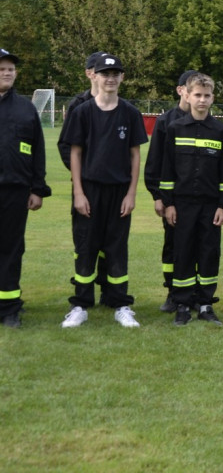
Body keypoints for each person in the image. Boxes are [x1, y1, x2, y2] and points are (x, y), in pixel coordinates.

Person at [60, 54, 147, 329]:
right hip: (89, 190)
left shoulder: (131, 113)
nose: (110, 78)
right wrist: (78, 192)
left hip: (119, 191)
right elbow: (74, 153)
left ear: (122, 77)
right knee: (85, 248)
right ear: (94, 75)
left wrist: (131, 193)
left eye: (115, 73)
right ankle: (80, 305)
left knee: (117, 249)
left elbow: (135, 155)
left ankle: (121, 304)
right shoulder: (82, 112)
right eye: (105, 73)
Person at [160, 73, 223, 326]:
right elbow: (167, 170)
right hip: (181, 206)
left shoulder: (221, 131)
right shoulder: (175, 128)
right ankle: (181, 304)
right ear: (187, 95)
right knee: (183, 252)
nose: (202, 100)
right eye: (197, 95)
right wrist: (168, 203)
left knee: (209, 253)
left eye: (207, 95)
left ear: (213, 98)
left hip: (210, 206)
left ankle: (205, 304)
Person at [0, 49, 51, 328]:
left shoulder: (25, 108)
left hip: (15, 191)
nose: (8, 72)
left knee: (11, 248)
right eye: (2, 69)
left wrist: (37, 188)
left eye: (11, 69)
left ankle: (9, 307)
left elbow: (38, 152)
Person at [145, 69, 197, 312]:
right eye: (191, 89)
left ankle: (194, 293)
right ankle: (172, 293)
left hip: (199, 199)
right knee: (173, 245)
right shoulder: (166, 122)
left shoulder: (206, 121)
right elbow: (154, 161)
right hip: (172, 198)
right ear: (181, 91)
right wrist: (158, 196)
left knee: (198, 246)